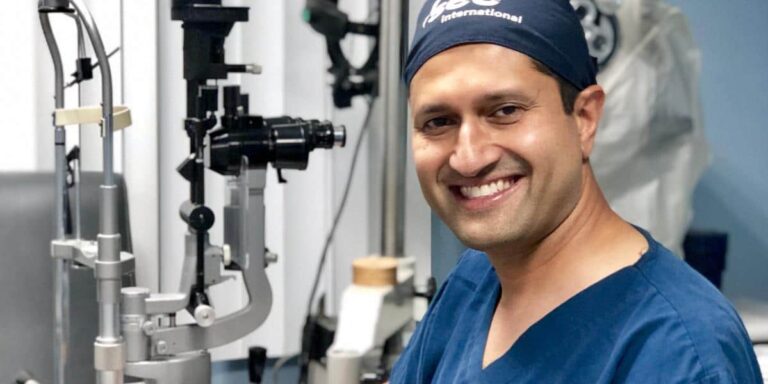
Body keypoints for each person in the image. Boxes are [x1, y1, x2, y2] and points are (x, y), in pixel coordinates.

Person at [389, 0, 762, 383]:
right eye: (438, 121)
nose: (468, 159)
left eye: (505, 111)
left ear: (584, 118)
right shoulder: (474, 282)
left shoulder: (676, 351)